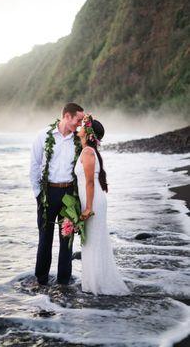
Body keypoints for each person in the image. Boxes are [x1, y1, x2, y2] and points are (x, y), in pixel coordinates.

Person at [75, 114, 131, 295]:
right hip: (91, 200)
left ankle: (97, 284)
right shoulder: (88, 151)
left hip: (93, 202)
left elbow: (90, 182)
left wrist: (89, 208)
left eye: (83, 125)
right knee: (91, 242)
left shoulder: (88, 152)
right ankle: (94, 282)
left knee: (93, 242)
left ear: (89, 133)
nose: (80, 127)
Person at [30, 102, 85, 285]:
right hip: (47, 193)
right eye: (78, 119)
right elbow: (35, 166)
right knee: (44, 239)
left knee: (66, 240)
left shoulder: (79, 139)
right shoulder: (43, 135)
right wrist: (39, 195)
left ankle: (63, 282)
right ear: (67, 116)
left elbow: (90, 158)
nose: (80, 124)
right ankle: (41, 280)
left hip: (69, 194)